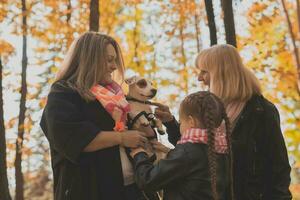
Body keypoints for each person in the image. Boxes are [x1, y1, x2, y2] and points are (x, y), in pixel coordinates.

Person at [155, 44, 292, 200]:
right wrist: (171, 123)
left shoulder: (261, 112)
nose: (199, 78)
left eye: (204, 72)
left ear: (221, 74)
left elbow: (278, 168)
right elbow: (195, 150)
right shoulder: (213, 111)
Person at [40, 32, 151, 200]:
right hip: (89, 191)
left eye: (114, 60)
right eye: (109, 60)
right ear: (89, 59)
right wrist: (121, 138)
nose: (114, 66)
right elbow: (74, 138)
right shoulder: (63, 93)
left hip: (130, 190)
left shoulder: (114, 97)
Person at [130, 91, 234, 200]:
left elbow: (148, 181)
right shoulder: (222, 147)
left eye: (181, 121)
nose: (180, 124)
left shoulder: (186, 153)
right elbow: (192, 149)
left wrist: (140, 154)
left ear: (191, 121)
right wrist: (170, 122)